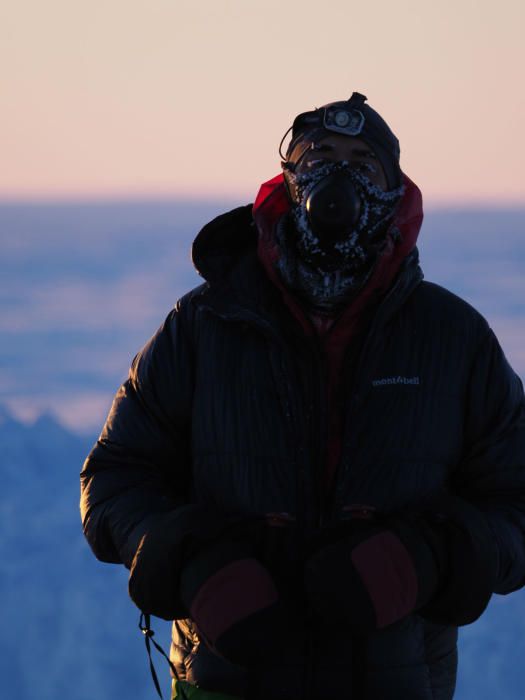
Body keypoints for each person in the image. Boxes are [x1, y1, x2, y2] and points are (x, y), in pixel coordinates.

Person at [80, 92, 525, 700]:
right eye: (318, 156)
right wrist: (191, 562)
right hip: (225, 680)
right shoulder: (203, 326)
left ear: (395, 193)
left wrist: (428, 558)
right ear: (288, 182)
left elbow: (516, 501)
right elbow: (114, 480)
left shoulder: (453, 338)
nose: (338, 176)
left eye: (363, 164)